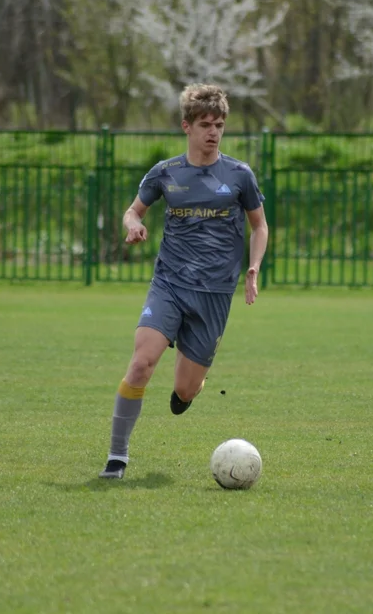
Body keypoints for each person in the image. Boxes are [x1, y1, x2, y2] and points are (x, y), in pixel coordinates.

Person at [99, 83, 269, 480]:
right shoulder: (166, 173)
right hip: (170, 284)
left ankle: (191, 385)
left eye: (220, 125)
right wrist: (134, 224)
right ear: (186, 127)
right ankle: (116, 458)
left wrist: (254, 267)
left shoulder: (240, 175)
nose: (213, 132)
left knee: (184, 392)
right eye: (206, 124)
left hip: (214, 294)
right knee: (141, 364)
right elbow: (131, 211)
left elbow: (259, 226)